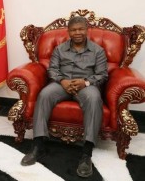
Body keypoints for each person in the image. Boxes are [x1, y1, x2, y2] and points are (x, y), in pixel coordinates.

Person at [20, 16, 108, 178]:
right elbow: (52, 70)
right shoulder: (60, 49)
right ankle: (38, 145)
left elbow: (102, 75)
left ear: (87, 30)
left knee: (94, 99)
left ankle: (86, 153)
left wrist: (85, 82)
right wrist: (62, 81)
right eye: (74, 30)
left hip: (86, 86)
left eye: (81, 29)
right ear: (68, 32)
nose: (78, 33)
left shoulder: (98, 51)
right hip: (62, 84)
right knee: (45, 94)